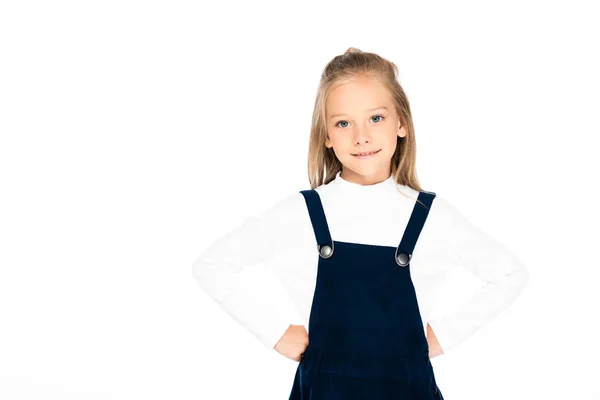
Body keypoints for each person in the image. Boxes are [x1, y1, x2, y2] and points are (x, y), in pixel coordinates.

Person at [192, 47, 530, 399]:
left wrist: (440, 337)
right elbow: (212, 265)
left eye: (376, 118)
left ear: (401, 123)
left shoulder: (431, 216)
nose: (361, 136)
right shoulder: (300, 214)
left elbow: (509, 274)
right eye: (343, 123)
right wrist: (277, 333)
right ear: (325, 135)